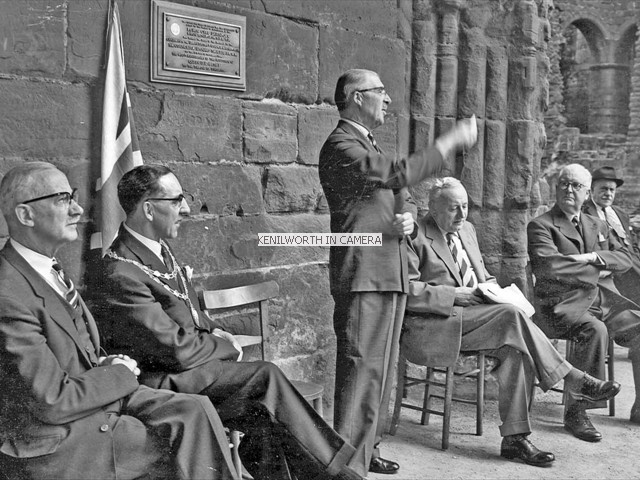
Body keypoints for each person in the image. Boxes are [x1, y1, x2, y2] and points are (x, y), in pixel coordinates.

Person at [88, 164, 363, 480]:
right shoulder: (121, 272)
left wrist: (213, 327)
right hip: (162, 380)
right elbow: (174, 349)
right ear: (148, 210)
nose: (187, 208)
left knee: (264, 415)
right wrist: (226, 345)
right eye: (176, 200)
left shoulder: (158, 250)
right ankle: (338, 473)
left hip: (192, 369)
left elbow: (188, 312)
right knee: (265, 377)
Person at [0, 162, 239, 480]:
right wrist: (118, 373)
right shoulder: (8, 291)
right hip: (56, 439)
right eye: (61, 199)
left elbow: (70, 356)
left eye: (72, 196)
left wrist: (103, 362)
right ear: (25, 215)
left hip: (88, 406)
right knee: (187, 438)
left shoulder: (48, 269)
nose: (77, 208)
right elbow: (51, 400)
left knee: (194, 410)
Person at [318, 68, 477, 476]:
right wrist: (449, 142)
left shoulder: (365, 143)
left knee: (381, 369)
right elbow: (397, 174)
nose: (387, 100)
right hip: (364, 270)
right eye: (380, 91)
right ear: (356, 97)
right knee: (361, 366)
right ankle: (345, 464)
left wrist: (404, 218)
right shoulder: (341, 144)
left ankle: (365, 448)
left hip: (389, 269)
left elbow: (400, 197)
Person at [403, 177, 620, 467]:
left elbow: (479, 274)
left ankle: (515, 439)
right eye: (454, 208)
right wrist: (453, 294)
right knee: (510, 316)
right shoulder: (415, 234)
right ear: (432, 208)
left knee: (516, 349)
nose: (462, 215)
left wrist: (493, 289)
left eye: (465, 206)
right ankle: (574, 378)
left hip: (478, 318)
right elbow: (407, 290)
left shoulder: (466, 230)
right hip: (436, 324)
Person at [528, 163, 640, 438]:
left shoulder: (596, 223)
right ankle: (577, 412)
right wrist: (598, 271)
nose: (569, 189)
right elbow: (550, 268)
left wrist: (594, 258)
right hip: (562, 304)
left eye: (576, 186)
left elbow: (625, 258)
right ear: (556, 188)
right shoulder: (541, 225)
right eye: (564, 183)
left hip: (603, 301)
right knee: (594, 330)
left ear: (587, 193)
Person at [582, 165, 640, 302]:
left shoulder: (620, 214)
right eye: (603, 189)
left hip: (633, 262)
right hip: (614, 266)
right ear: (591, 190)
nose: (608, 193)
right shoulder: (584, 214)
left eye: (611, 190)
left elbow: (632, 242)